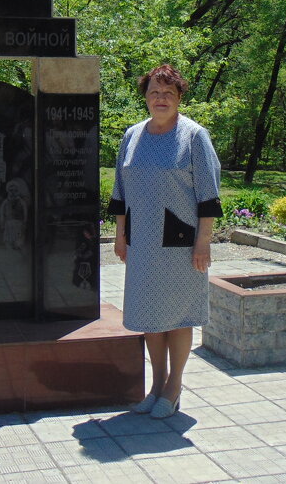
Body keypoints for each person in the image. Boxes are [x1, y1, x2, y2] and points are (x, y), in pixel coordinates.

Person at [108, 63, 221, 419]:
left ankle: (174, 386)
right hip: (141, 242)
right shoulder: (132, 135)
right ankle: (155, 385)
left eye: (168, 93)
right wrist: (120, 234)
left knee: (178, 316)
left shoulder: (194, 137)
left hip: (180, 243)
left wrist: (203, 244)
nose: (161, 98)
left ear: (179, 98)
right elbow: (119, 191)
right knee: (150, 317)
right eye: (154, 92)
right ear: (145, 96)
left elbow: (208, 198)